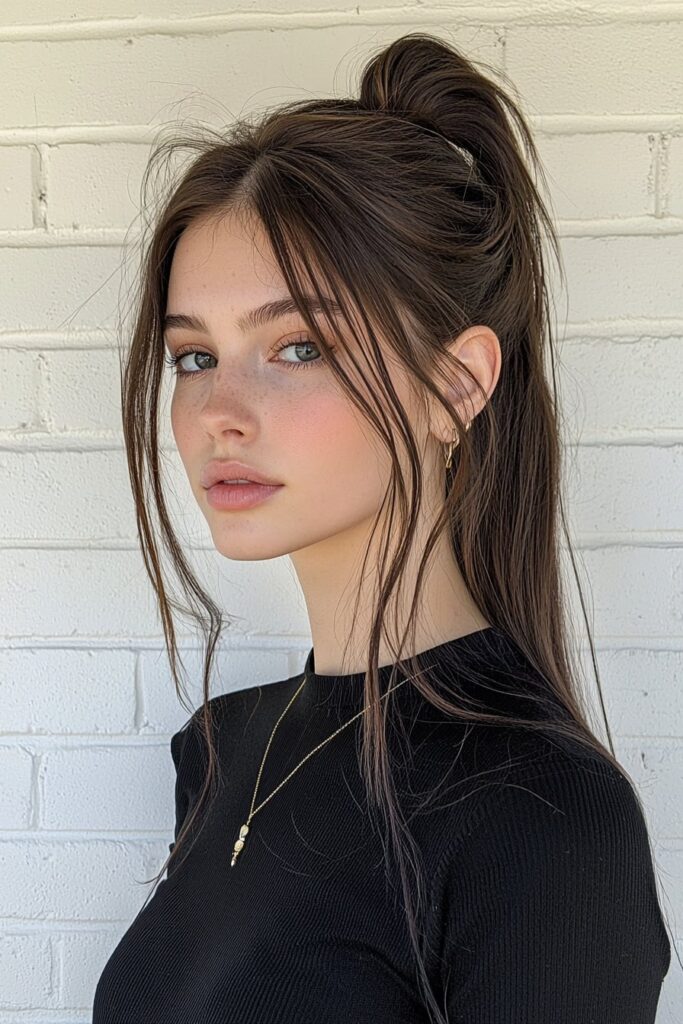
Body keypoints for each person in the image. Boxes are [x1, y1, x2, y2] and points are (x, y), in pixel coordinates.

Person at [91, 30, 672, 1024]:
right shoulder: (225, 747)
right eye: (194, 356)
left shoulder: (539, 819)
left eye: (297, 344)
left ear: (455, 386)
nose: (219, 409)